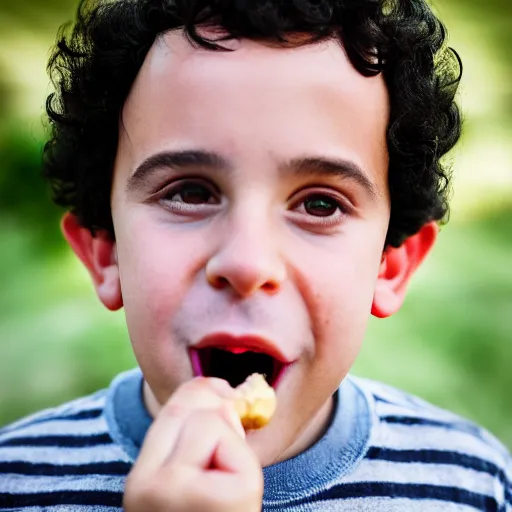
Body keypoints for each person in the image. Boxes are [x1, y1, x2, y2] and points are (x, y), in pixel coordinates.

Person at [0, 0, 511, 509]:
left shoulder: (471, 484)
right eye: (191, 193)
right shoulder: (16, 483)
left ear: (389, 266)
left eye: (319, 204)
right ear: (105, 251)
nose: (247, 264)